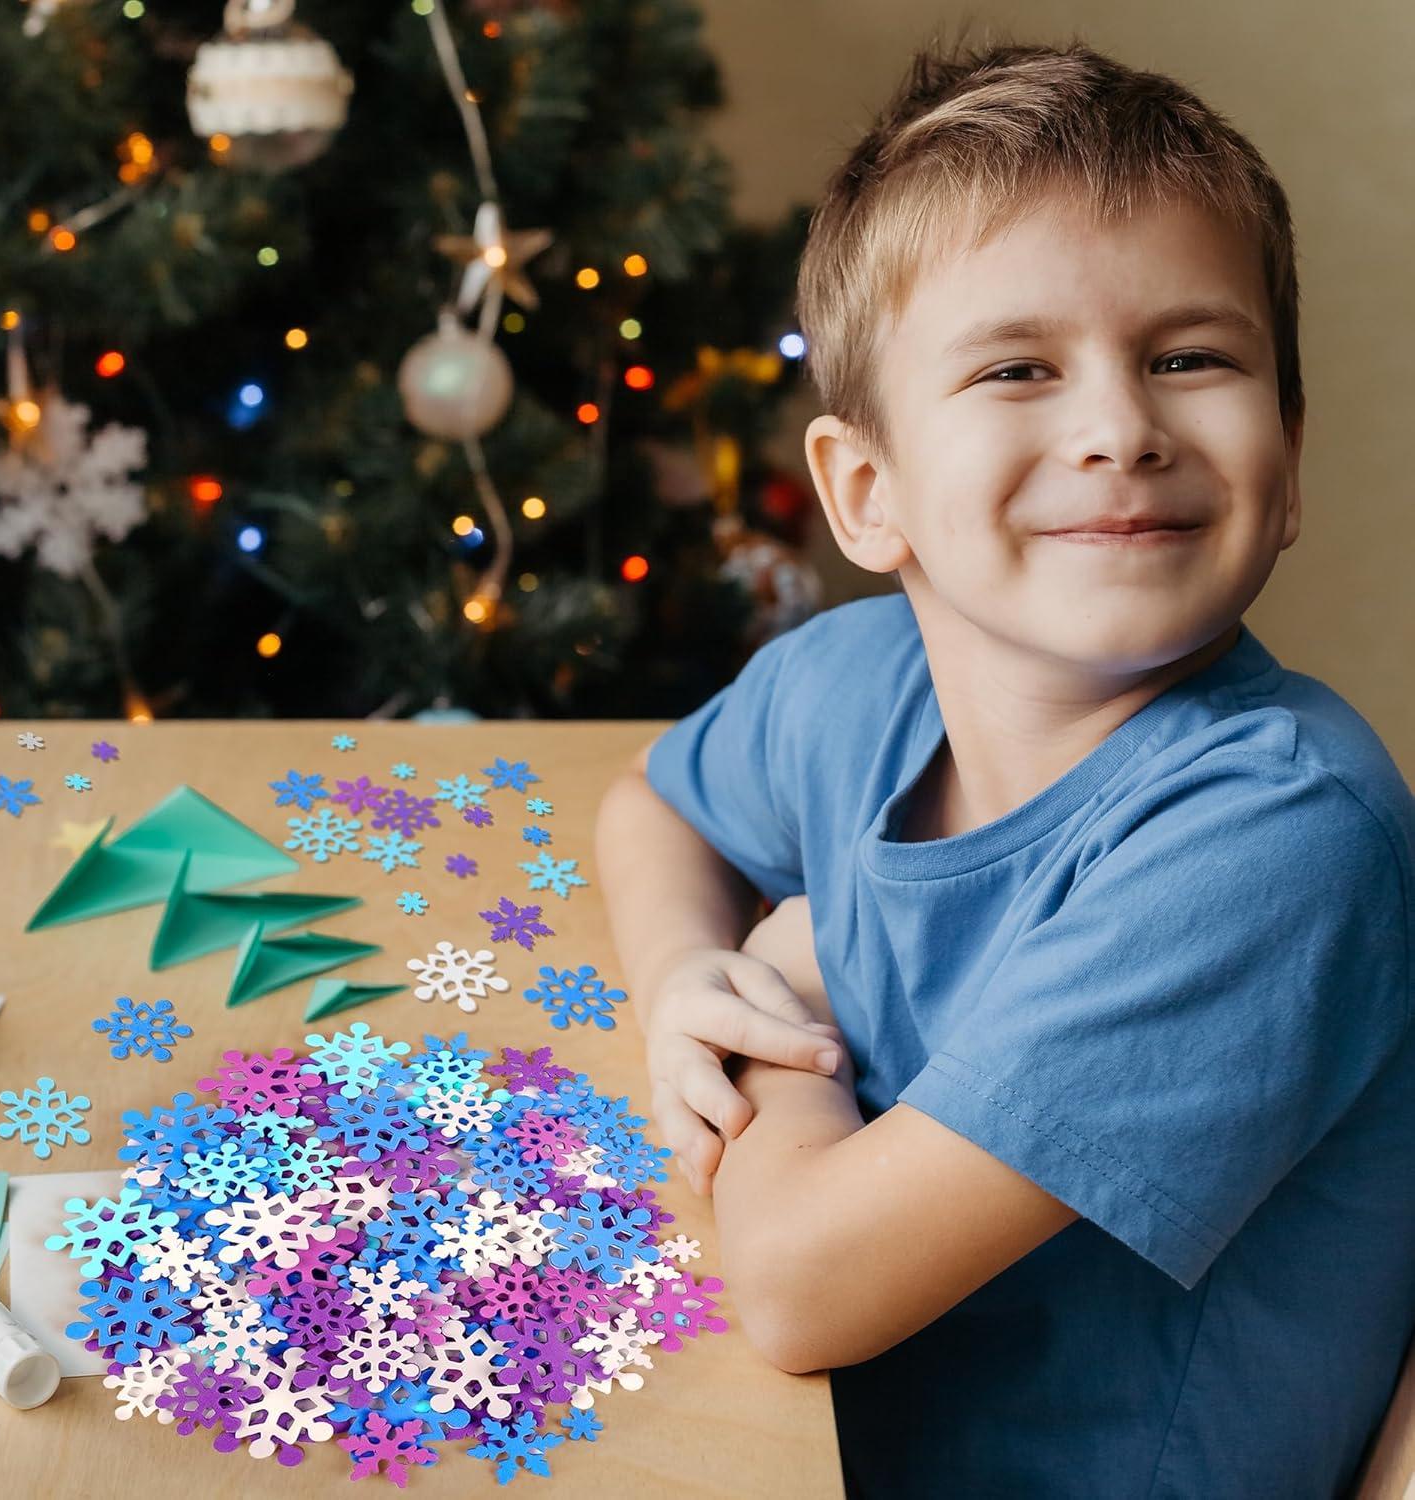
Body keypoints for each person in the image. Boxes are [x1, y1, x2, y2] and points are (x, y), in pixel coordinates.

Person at [593, 26, 1415, 1499]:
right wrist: (683, 980)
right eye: (1019, 368)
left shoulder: (1278, 834)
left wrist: (787, 993)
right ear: (867, 490)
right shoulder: (856, 681)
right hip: (819, 1442)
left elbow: (795, 1290)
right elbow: (653, 805)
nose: (1119, 428)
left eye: (1191, 356)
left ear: (1286, 451)